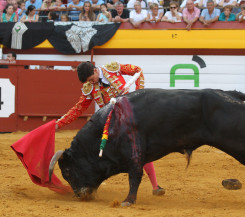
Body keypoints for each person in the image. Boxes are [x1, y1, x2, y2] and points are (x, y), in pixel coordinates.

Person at [56, 61, 165, 196]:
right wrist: (59, 124)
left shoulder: (112, 69)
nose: (92, 83)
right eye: (89, 82)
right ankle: (89, 186)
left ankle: (155, 186)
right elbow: (78, 109)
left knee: (139, 150)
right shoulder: (89, 87)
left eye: (92, 79)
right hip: (110, 123)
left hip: (129, 117)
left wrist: (138, 95)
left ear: (95, 70)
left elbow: (138, 71)